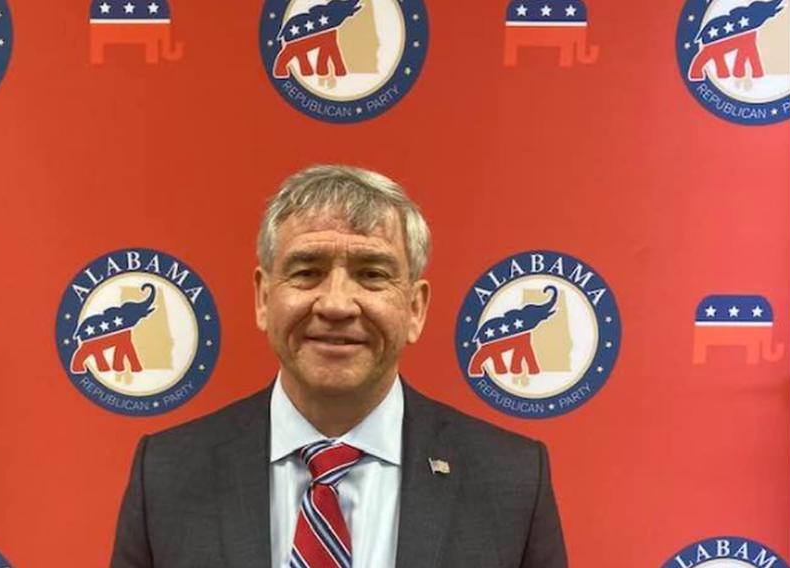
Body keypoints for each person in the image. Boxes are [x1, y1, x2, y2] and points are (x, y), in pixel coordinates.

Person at [110, 164, 568, 568]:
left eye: (372, 274)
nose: (335, 304)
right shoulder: (168, 474)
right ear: (264, 298)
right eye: (307, 271)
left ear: (415, 308)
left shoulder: (511, 480)